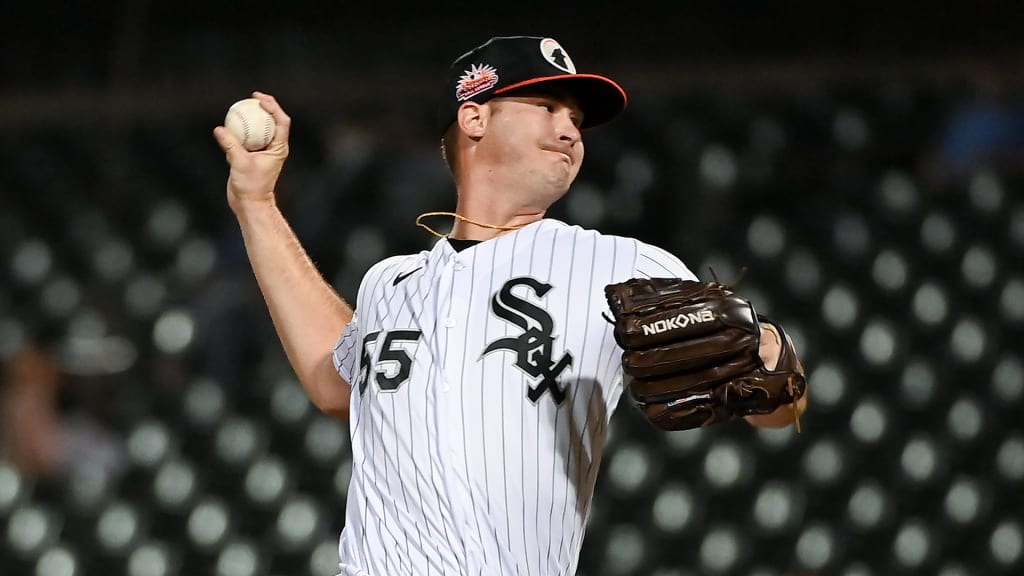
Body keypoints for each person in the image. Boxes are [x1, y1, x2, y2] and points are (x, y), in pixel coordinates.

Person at [213, 35, 807, 576]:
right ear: (474, 115)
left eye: (575, 119)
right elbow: (333, 382)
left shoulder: (622, 266)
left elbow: (774, 409)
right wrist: (256, 202)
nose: (571, 130)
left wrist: (772, 358)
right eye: (547, 108)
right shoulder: (389, 283)